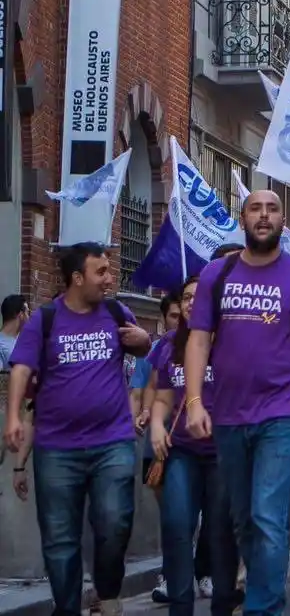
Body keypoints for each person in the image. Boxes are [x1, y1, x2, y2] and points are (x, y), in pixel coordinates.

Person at [184, 189, 290, 616]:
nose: (264, 215)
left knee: (268, 516)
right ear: (243, 218)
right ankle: (261, 592)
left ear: (282, 222)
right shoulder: (217, 275)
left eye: (272, 209)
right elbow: (198, 340)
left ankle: (263, 608)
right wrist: (195, 401)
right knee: (243, 519)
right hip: (228, 413)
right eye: (256, 208)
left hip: (283, 410)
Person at [3, 243, 153, 616]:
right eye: (100, 271)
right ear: (76, 278)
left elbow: (145, 347)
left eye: (108, 270)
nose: (108, 278)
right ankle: (67, 608)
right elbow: (20, 368)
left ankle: (106, 589)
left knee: (115, 521)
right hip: (57, 447)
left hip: (112, 442)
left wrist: (144, 341)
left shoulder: (117, 311)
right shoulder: (46, 318)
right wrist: (12, 419)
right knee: (59, 537)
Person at [149, 274, 241, 616]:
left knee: (220, 532)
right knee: (176, 527)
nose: (191, 302)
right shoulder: (169, 344)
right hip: (181, 451)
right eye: (186, 297)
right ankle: (180, 607)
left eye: (199, 297)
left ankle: (222, 605)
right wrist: (157, 425)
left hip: (223, 453)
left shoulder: (231, 343)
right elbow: (161, 399)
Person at [1, 294, 30, 370]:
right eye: (27, 312)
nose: (28, 317)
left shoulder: (25, 341)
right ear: (21, 315)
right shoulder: (1, 345)